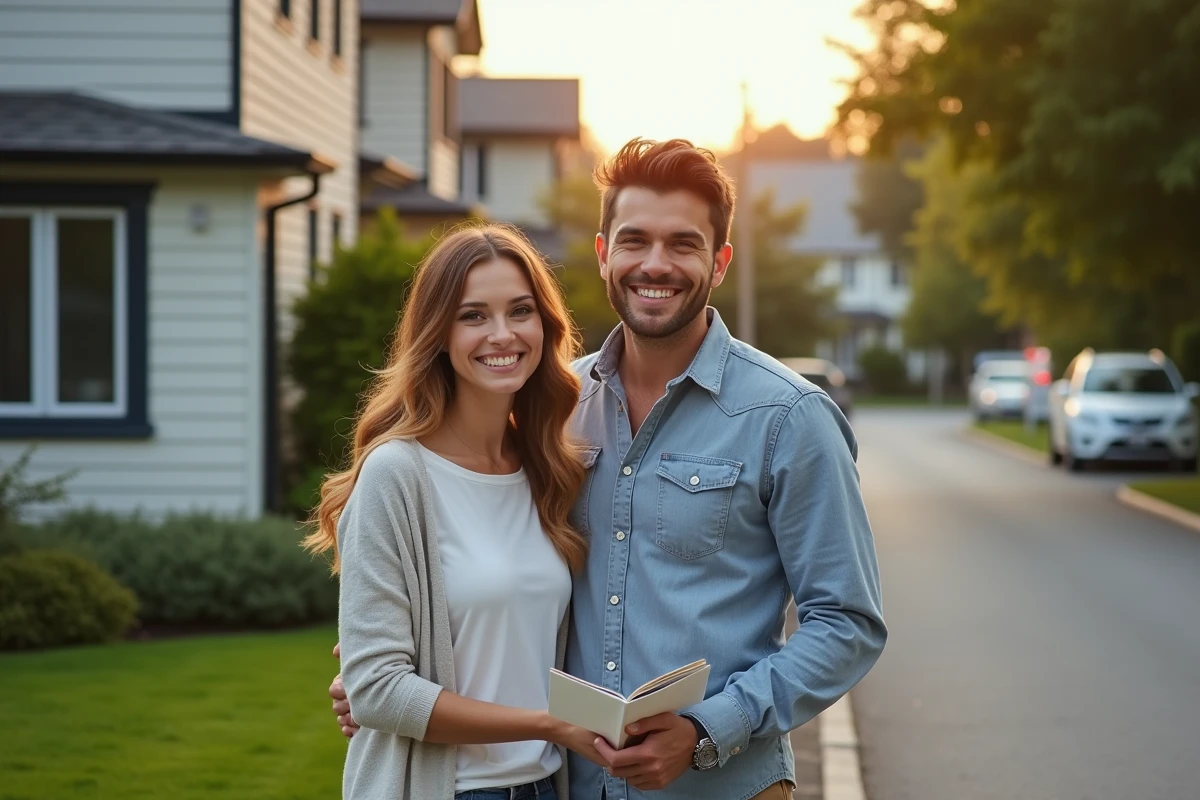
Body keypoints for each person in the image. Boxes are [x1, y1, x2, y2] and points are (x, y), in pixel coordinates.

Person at [331, 139, 887, 800]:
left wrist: (708, 729)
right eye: (635, 241)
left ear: (719, 263)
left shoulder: (788, 417)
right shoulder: (552, 413)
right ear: (603, 254)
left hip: (721, 788)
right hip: (576, 784)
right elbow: (482, 574)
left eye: (683, 244)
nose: (655, 264)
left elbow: (847, 623)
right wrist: (392, 673)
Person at [308, 224, 606, 800]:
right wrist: (550, 724)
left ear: (544, 325)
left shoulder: (547, 469)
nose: (502, 334)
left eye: (520, 310)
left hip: (544, 787)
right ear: (439, 334)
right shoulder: (396, 475)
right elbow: (377, 691)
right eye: (473, 316)